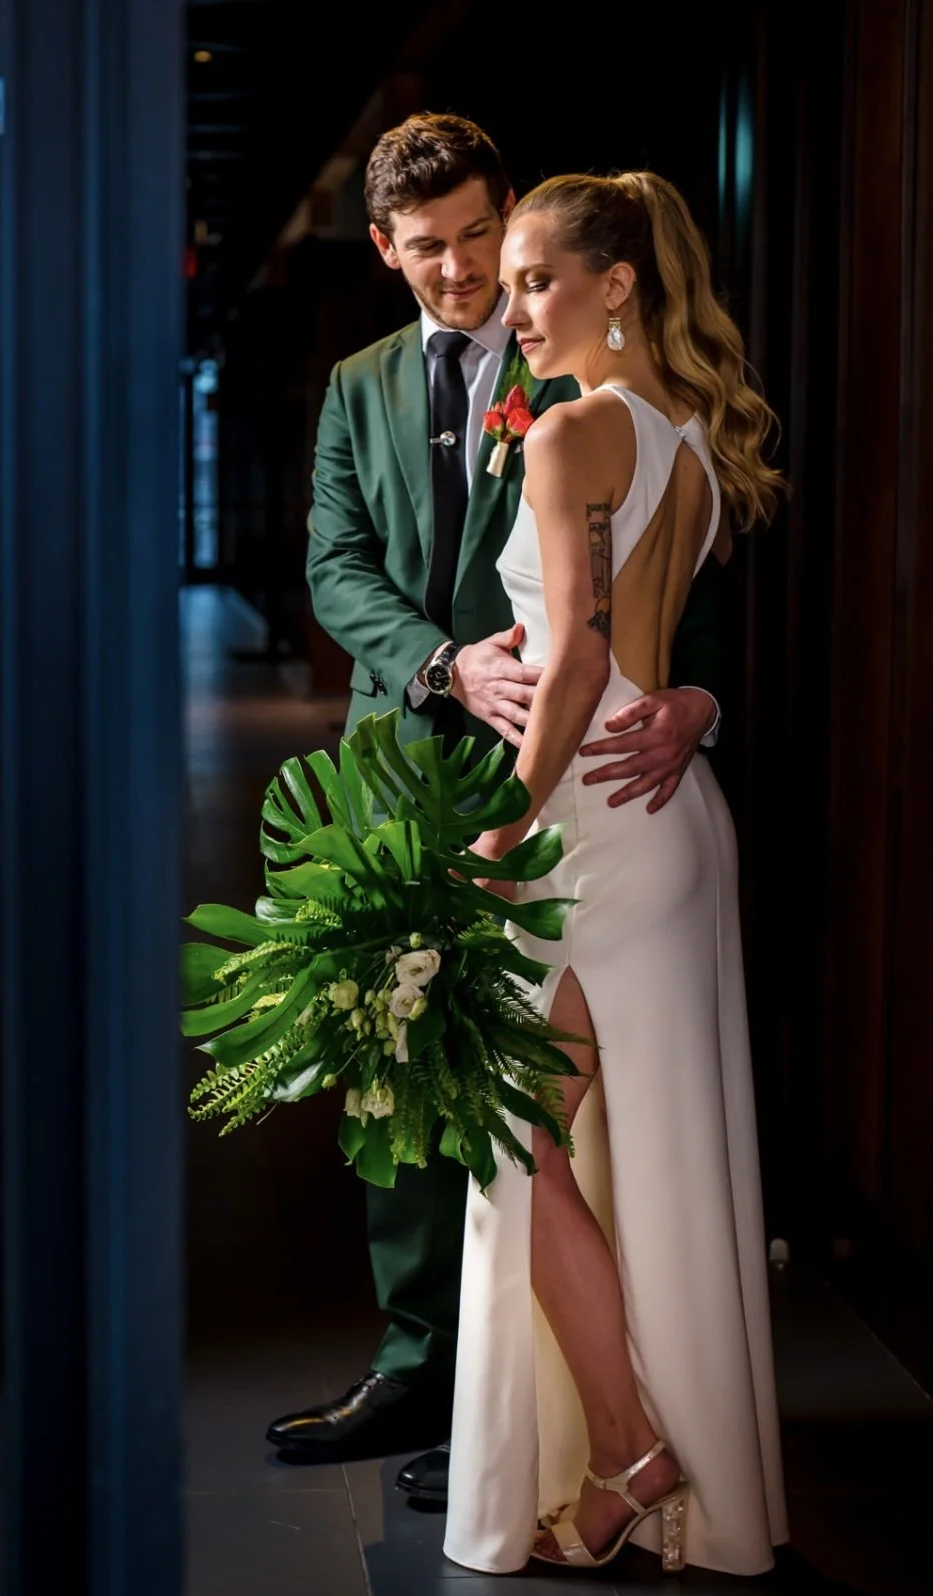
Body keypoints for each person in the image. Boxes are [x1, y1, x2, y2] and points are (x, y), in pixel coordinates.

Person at [270, 113, 727, 1469]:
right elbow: (335, 564)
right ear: (384, 249)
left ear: (513, 215)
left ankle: (524, 1408)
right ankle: (420, 1368)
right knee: (401, 1075)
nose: (465, 272)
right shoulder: (358, 384)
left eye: (484, 238)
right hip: (400, 767)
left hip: (558, 784)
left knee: (529, 1118)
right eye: (431, 249)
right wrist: (444, 663)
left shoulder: (576, 366)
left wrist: (701, 699)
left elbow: (656, 579)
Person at [442, 170, 787, 1576]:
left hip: (592, 818)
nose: (514, 305)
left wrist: (504, 831)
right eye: (513, 281)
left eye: (537, 278)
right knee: (594, 1143)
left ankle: (631, 1450)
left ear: (618, 282)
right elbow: (633, 648)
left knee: (512, 1138)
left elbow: (581, 658)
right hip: (672, 817)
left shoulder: (572, 430)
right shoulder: (691, 433)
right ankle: (637, 1456)